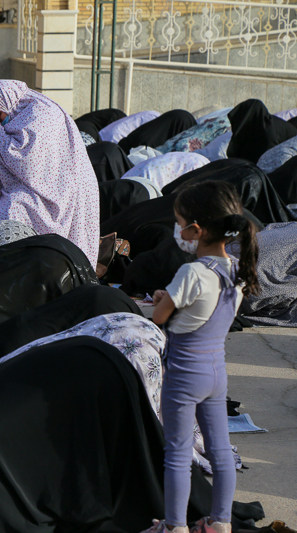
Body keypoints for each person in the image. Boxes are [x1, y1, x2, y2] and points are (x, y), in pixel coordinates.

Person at [148, 181, 260, 533]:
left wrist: (162, 298)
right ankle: (220, 523)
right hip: (216, 373)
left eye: (180, 223)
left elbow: (159, 317)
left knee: (178, 453)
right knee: (220, 450)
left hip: (184, 374)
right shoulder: (237, 270)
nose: (178, 230)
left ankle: (175, 526)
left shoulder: (192, 272)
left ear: (197, 230)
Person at [0, 80, 100, 269]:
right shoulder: (27, 111)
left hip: (63, 189)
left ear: (8, 102)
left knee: (12, 212)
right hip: (46, 184)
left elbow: (26, 161)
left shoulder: (41, 112)